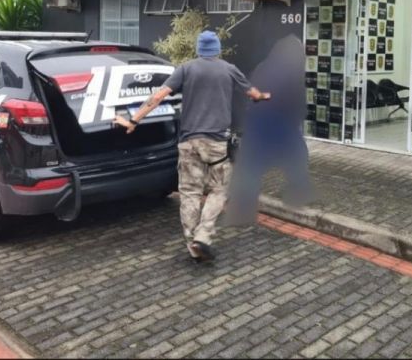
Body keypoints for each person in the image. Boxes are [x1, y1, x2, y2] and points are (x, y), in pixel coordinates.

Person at [114, 30, 269, 263]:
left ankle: (192, 244)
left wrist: (133, 121)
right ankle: (203, 236)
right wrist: (264, 96)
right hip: (217, 143)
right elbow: (253, 93)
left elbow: (158, 96)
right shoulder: (229, 69)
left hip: (188, 143)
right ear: (217, 49)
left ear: (198, 49)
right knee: (219, 189)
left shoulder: (185, 69)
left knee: (189, 193)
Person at [226, 34, 315, 226]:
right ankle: (300, 192)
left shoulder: (263, 66)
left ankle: (241, 209)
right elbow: (296, 101)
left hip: (256, 119)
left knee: (250, 166)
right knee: (298, 155)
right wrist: (297, 118)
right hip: (279, 120)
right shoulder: (292, 70)